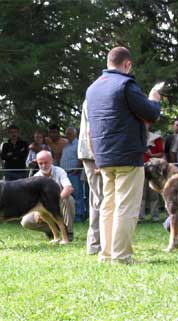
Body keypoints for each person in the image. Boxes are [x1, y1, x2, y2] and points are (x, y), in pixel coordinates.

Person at [86, 46, 161, 263]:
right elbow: (150, 113)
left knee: (108, 205)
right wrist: (154, 98)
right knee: (126, 206)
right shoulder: (125, 84)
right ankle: (121, 255)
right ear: (127, 64)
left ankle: (106, 253)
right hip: (127, 155)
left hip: (103, 156)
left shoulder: (92, 88)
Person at [20, 151, 75, 240]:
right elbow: (31, 200)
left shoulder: (59, 171)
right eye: (40, 163)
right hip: (43, 207)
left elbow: (68, 188)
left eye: (46, 162)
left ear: (51, 161)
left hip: (59, 203)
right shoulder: (35, 177)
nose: (43, 166)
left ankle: (68, 232)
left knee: (68, 199)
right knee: (26, 221)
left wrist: (54, 204)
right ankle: (52, 231)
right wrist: (37, 212)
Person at [78, 101, 102, 255]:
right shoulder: (95, 97)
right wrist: (97, 157)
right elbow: (90, 131)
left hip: (93, 152)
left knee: (96, 198)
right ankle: (96, 244)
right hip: (94, 154)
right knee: (100, 199)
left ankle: (95, 244)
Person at [139, 122, 164, 222]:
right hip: (140, 168)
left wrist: (151, 154)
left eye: (146, 124)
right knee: (141, 194)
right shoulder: (135, 137)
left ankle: (155, 216)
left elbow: (161, 153)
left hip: (153, 168)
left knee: (154, 193)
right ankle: (140, 217)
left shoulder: (156, 138)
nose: (145, 126)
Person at [60, 127, 85, 222]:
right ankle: (69, 216)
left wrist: (76, 170)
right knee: (67, 195)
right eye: (67, 133)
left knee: (77, 195)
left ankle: (79, 217)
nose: (67, 135)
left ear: (75, 134)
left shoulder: (78, 144)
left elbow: (80, 157)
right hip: (65, 174)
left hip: (74, 173)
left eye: (69, 133)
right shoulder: (66, 145)